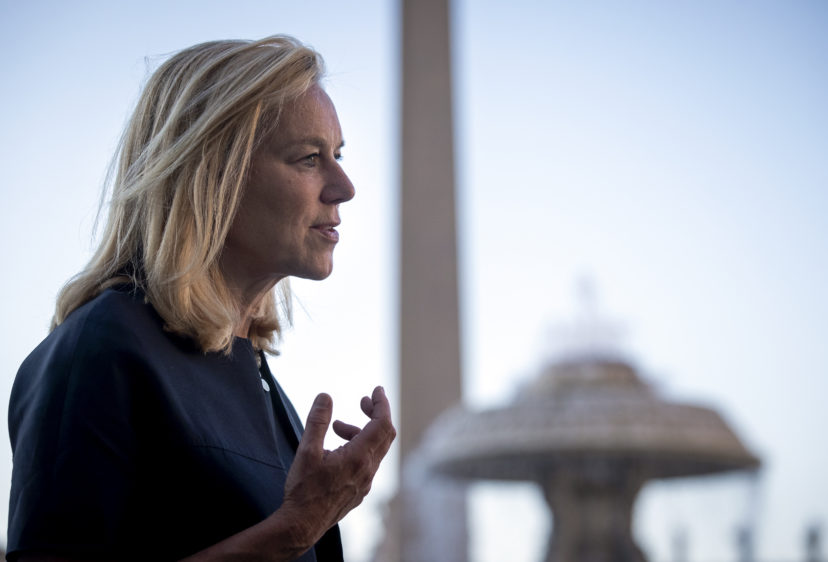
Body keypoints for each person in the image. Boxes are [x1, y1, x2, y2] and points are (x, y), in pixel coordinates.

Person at [6, 35, 396, 561]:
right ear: (215, 174)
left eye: (338, 156)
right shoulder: (102, 349)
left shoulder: (254, 374)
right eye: (309, 158)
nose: (344, 187)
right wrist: (297, 528)